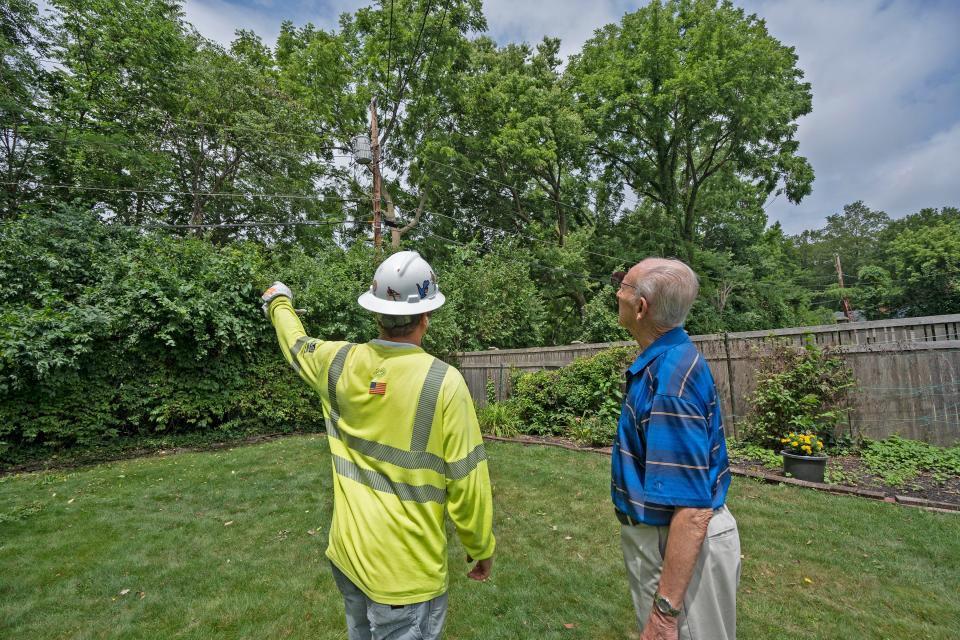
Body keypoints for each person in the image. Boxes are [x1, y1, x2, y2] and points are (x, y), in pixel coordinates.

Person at [260, 250, 495, 640]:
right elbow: (467, 480)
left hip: (349, 557)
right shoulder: (445, 382)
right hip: (405, 574)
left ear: (376, 312)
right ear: (426, 317)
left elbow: (296, 342)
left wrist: (278, 301)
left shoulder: (337, 363)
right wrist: (480, 545)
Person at [610, 258, 740, 640]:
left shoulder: (670, 384)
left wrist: (665, 613)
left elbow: (693, 509)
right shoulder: (665, 362)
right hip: (668, 539)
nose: (616, 291)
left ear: (641, 307)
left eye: (623, 285)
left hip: (677, 544)